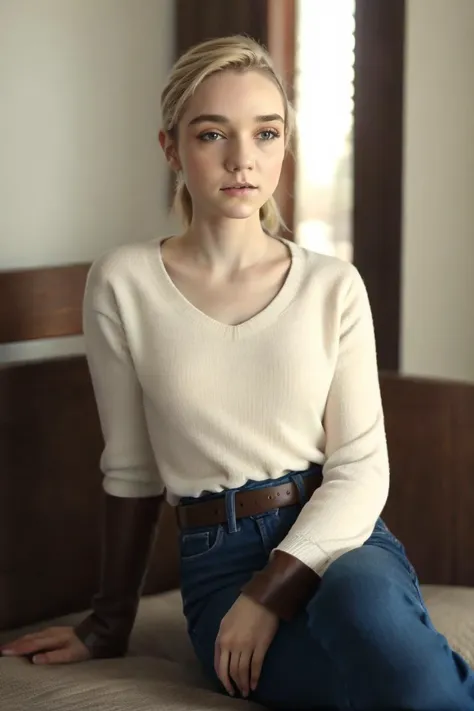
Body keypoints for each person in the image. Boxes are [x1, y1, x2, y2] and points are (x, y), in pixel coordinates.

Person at [2, 35, 474, 711]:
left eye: (266, 132)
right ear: (171, 148)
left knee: (370, 619)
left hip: (341, 536)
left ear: (285, 145)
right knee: (363, 687)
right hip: (217, 562)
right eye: (212, 133)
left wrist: (272, 589)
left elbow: (362, 467)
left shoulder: (332, 285)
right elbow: (133, 470)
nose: (242, 158)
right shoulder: (124, 282)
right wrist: (108, 623)